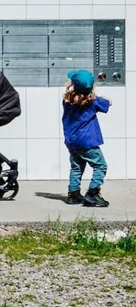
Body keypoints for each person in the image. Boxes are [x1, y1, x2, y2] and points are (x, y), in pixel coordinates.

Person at [63, 69, 112, 207]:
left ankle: (73, 194)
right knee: (101, 165)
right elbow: (107, 104)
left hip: (72, 141)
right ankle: (92, 194)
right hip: (87, 142)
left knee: (76, 167)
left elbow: (76, 97)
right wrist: (105, 98)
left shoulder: (67, 100)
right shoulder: (93, 101)